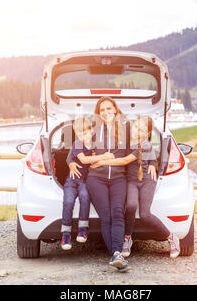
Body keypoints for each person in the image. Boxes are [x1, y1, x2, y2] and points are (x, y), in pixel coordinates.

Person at [91, 116, 181, 258]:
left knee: (145, 214)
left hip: (146, 180)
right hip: (131, 180)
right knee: (131, 206)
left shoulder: (145, 145)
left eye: (142, 130)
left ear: (147, 133)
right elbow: (117, 154)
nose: (137, 131)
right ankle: (127, 238)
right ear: (131, 127)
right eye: (136, 127)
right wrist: (97, 156)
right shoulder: (126, 142)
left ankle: (171, 237)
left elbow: (125, 160)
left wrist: (101, 163)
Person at [68, 97, 130, 272]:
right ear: (98, 113)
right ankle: (116, 255)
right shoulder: (93, 130)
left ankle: (116, 253)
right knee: (106, 216)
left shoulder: (125, 131)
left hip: (119, 178)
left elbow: (134, 152)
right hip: (96, 179)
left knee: (118, 213)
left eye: (109, 108)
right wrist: (70, 163)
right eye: (102, 110)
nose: (106, 112)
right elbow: (76, 147)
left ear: (115, 110)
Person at [61, 116, 114, 250]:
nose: (83, 136)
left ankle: (83, 228)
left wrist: (103, 158)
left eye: (85, 133)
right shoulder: (77, 144)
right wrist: (104, 156)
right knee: (68, 201)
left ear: (91, 131)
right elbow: (84, 160)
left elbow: (97, 161)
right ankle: (66, 233)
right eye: (79, 134)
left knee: (85, 197)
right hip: (72, 179)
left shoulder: (97, 144)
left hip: (85, 180)